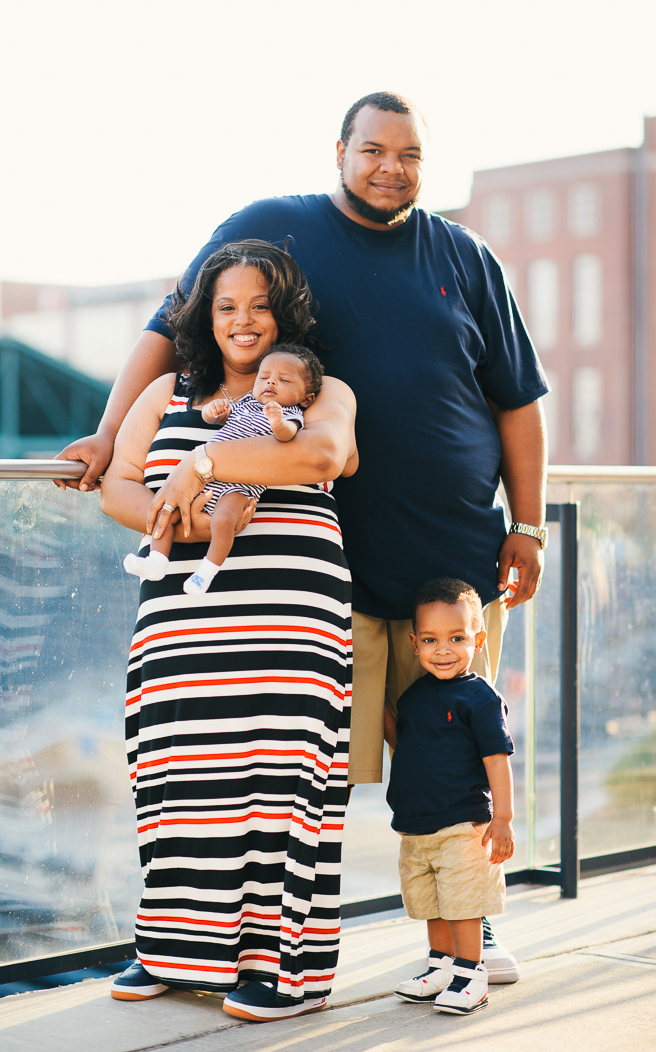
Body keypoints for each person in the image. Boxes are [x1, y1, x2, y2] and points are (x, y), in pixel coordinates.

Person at [57, 91, 548, 980]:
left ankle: (473, 931)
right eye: (373, 150)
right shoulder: (271, 229)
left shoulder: (465, 257)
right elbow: (170, 327)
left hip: (455, 562)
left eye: (409, 155)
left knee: (457, 756)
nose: (390, 167)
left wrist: (529, 523)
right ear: (340, 150)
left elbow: (517, 399)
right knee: (310, 773)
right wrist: (105, 429)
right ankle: (217, 947)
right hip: (330, 570)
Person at [99, 240, 357, 1022]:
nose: (243, 322)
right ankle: (172, 950)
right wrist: (174, 520)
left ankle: (282, 975)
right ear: (202, 317)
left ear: (285, 315)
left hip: (290, 614)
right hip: (182, 615)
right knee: (178, 780)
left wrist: (206, 462)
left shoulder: (318, 391)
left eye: (259, 306)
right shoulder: (166, 391)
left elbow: (328, 452)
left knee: (280, 786)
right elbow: (115, 482)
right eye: (226, 306)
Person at [385, 578, 514, 1015]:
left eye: (457, 638)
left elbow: (497, 759)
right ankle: (440, 967)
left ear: (478, 640)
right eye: (431, 640)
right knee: (432, 904)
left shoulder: (479, 697)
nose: (444, 650)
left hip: (463, 825)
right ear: (414, 644)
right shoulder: (414, 696)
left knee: (462, 904)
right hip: (416, 826)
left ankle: (471, 974)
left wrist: (503, 819)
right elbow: (405, 745)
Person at [122, 344, 324, 596]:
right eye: (264, 377)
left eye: (283, 380)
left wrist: (278, 422)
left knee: (224, 520)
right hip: (205, 479)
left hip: (242, 483)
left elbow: (287, 435)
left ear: (306, 398)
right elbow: (215, 420)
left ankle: (207, 570)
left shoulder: (291, 413)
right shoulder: (247, 403)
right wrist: (213, 412)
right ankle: (156, 561)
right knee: (170, 512)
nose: (271, 383)